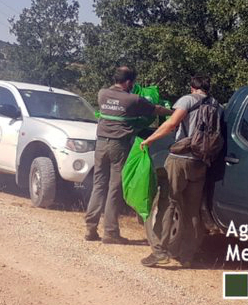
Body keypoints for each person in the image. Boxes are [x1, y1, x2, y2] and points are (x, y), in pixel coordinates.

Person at [84, 66, 173, 244]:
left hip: (100, 144)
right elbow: (155, 109)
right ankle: (110, 232)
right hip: (119, 145)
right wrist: (173, 112)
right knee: (114, 188)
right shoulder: (133, 99)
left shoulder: (102, 94)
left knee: (99, 184)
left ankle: (90, 228)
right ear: (129, 82)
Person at [139, 75, 219, 266]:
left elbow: (172, 123)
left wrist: (150, 139)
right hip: (201, 162)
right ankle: (188, 256)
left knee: (168, 203)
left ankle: (160, 251)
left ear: (192, 87)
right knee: (192, 211)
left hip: (179, 160)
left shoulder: (187, 100)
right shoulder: (217, 105)